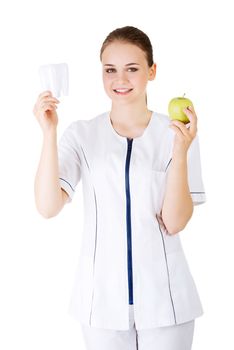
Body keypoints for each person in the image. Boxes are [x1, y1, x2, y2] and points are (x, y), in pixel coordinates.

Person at [33, 26, 206, 350]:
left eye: (132, 69)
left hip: (166, 302)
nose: (120, 79)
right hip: (99, 304)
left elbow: (175, 221)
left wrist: (181, 151)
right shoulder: (82, 135)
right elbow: (47, 206)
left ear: (152, 71)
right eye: (110, 70)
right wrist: (48, 133)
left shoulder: (176, 133)